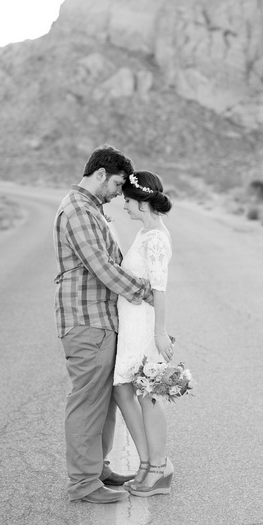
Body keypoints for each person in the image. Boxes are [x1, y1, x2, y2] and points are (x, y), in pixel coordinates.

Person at [53, 145, 153, 504]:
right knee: (88, 401)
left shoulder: (91, 209)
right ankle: (83, 482)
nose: (117, 192)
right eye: (116, 183)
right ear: (99, 175)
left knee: (104, 401)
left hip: (101, 318)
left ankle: (97, 469)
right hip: (87, 320)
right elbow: (102, 267)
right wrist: (145, 291)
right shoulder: (79, 210)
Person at [113, 170, 174, 497]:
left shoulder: (155, 239)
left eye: (126, 200)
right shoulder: (145, 232)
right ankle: (150, 464)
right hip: (133, 321)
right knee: (129, 390)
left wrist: (160, 333)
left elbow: (160, 288)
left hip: (144, 325)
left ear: (140, 201)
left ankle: (158, 467)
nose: (124, 206)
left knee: (148, 393)